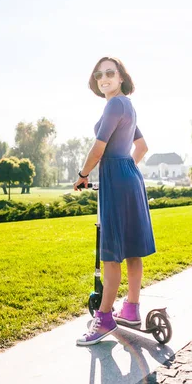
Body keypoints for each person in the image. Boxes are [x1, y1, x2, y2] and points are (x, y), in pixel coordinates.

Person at [74, 56, 156, 346]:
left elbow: (98, 149)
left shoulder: (114, 104)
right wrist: (127, 170)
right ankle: (131, 309)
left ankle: (105, 317)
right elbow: (142, 147)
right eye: (99, 75)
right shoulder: (127, 106)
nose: (104, 78)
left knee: (110, 254)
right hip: (129, 178)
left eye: (110, 72)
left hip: (116, 178)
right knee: (132, 248)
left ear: (121, 76)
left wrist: (82, 175)